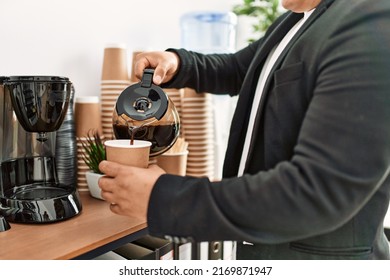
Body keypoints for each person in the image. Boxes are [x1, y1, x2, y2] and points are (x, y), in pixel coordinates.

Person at [98, 0, 390, 259]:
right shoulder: (294, 21)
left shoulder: (371, 22)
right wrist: (180, 64)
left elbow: (317, 191)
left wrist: (164, 200)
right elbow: (241, 69)